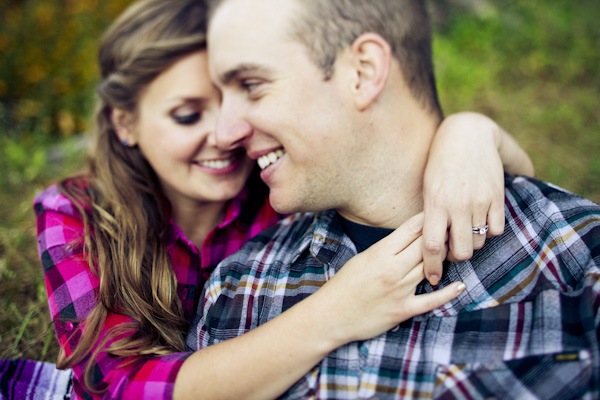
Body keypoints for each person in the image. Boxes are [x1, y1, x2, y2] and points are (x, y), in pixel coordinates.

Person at [23, 0, 538, 399]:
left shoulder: (278, 185)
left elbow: (389, 161)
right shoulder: (78, 215)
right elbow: (116, 388)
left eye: (240, 93)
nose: (225, 134)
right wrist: (337, 310)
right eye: (186, 115)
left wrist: (471, 133)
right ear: (126, 122)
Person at [190, 0, 600, 398]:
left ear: (364, 72)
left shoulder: (577, 255)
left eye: (251, 86)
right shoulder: (235, 293)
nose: (223, 134)